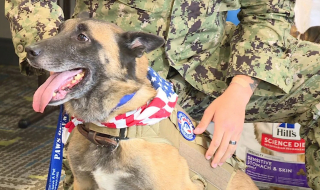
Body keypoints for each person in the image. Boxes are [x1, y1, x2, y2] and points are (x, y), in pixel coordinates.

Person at [5, 0, 320, 189]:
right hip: (118, 71)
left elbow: (269, 12)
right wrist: (58, 50)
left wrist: (240, 88)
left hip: (212, 68)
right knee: (83, 173)